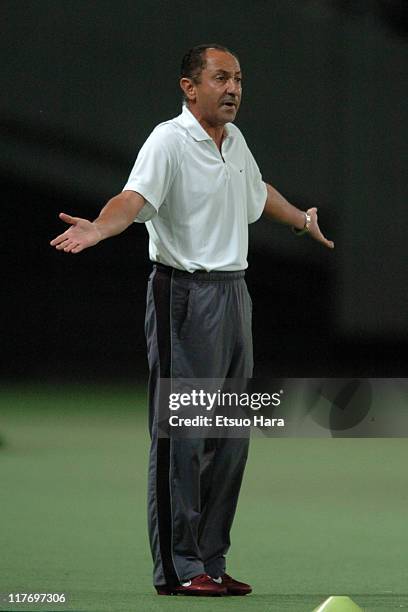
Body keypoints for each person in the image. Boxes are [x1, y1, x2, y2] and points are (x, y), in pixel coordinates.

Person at [50, 43, 334, 597]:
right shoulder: (168, 141)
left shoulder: (235, 141)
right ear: (190, 87)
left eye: (239, 80)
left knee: (230, 434)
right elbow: (132, 199)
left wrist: (302, 220)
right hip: (184, 293)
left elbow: (257, 193)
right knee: (183, 432)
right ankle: (180, 567)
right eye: (221, 78)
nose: (233, 89)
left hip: (234, 294)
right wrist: (101, 229)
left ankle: (211, 559)